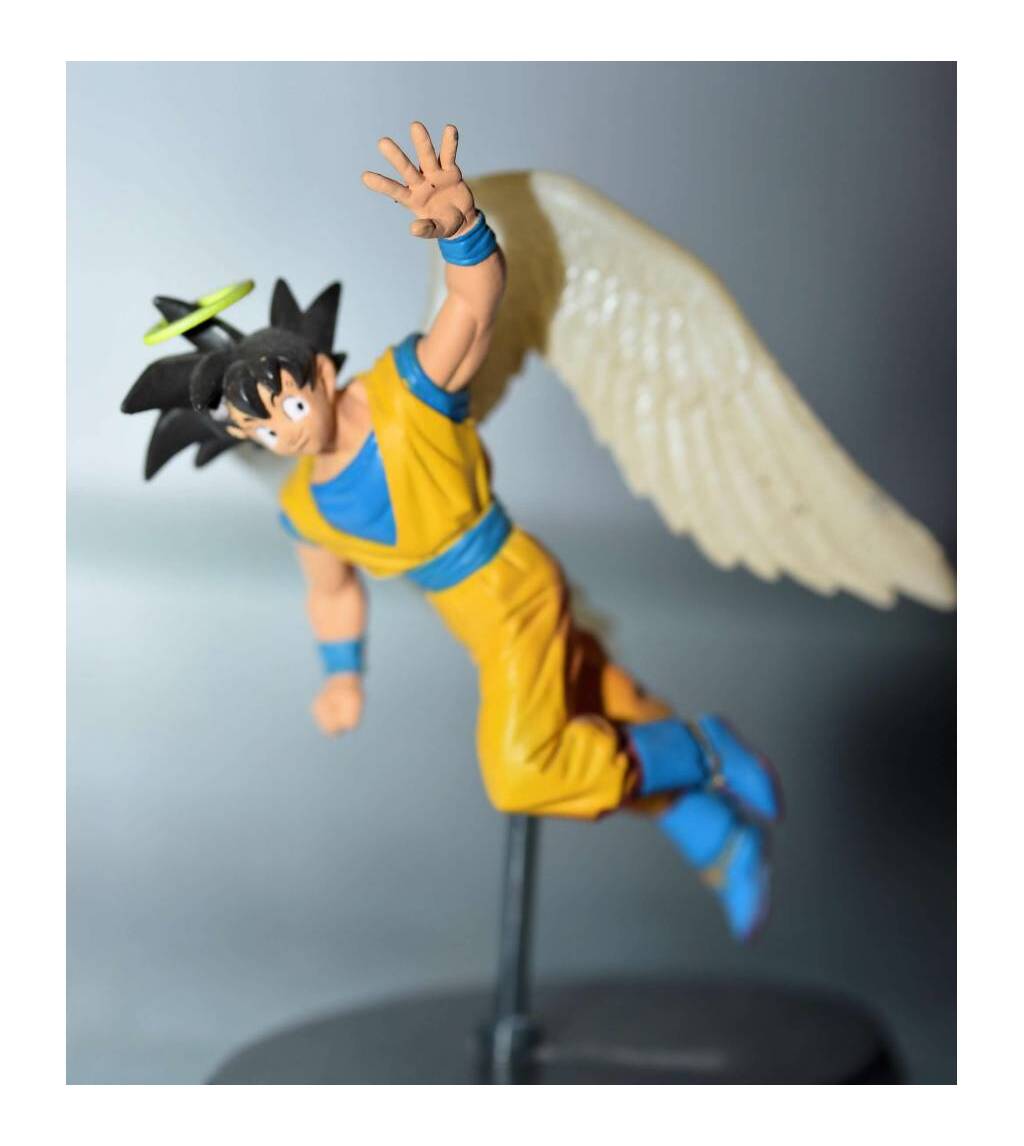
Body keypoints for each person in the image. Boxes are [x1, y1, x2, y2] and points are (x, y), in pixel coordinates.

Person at [122, 122, 782, 941]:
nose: (283, 432)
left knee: (525, 770)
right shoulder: (305, 509)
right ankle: (716, 835)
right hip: (473, 617)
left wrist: (462, 230)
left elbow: (471, 311)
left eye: (288, 405)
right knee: (601, 706)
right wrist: (342, 675)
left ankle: (704, 751)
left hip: (509, 586)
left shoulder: (405, 395)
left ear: (322, 373)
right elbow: (332, 592)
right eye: (260, 429)